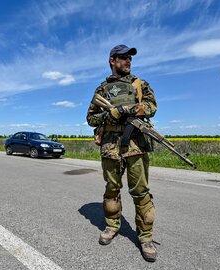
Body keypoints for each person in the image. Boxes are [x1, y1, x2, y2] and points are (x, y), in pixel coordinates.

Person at [86, 44, 158, 262]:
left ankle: (145, 238)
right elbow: (90, 119)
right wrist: (110, 115)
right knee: (111, 189)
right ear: (112, 60)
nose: (128, 61)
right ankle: (111, 226)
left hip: (135, 146)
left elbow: (152, 106)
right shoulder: (102, 90)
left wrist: (128, 110)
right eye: (123, 57)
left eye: (130, 58)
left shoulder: (139, 84)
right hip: (110, 148)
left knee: (141, 192)